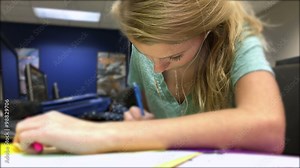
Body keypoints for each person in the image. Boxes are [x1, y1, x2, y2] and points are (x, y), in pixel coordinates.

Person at [15, 0, 285, 155]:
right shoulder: (143, 54)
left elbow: (268, 129)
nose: (156, 68)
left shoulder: (238, 40)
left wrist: (108, 134)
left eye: (174, 56)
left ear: (207, 32)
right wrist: (141, 121)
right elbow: (146, 114)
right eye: (146, 55)